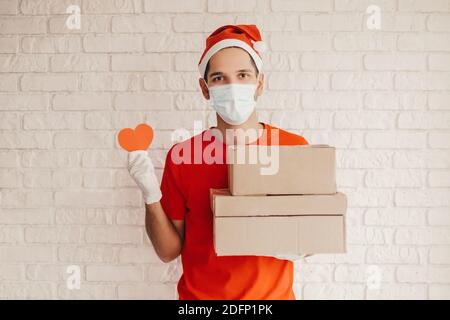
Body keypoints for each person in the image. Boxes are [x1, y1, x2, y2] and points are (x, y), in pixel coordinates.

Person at [127, 25, 309, 300]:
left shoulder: (293, 149)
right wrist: (151, 195)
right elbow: (167, 251)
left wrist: (298, 244)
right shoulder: (183, 157)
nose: (232, 86)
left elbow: (312, 233)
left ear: (260, 83)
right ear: (205, 88)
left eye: (243, 75)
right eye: (219, 78)